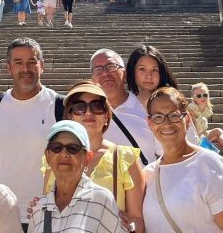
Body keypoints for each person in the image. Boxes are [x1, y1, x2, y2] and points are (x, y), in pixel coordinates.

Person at [142, 87, 223, 233]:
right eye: (158, 117)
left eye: (174, 116)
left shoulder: (208, 163)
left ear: (187, 119)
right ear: (150, 123)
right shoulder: (148, 174)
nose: (166, 123)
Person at [0, 38, 64, 229]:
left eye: (32, 62)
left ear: (42, 65)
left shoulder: (60, 106)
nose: (26, 69)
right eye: (18, 63)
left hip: (47, 214)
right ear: (9, 68)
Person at [41, 81, 145, 232]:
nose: (88, 113)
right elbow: (48, 211)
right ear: (70, 116)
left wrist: (130, 227)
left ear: (106, 116)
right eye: (79, 107)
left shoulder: (125, 158)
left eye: (97, 106)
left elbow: (138, 220)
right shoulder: (55, 157)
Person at [27, 121, 124, 233]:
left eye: (73, 148)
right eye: (56, 147)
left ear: (87, 157)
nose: (64, 154)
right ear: (47, 156)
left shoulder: (101, 199)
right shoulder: (38, 207)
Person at [93, 49, 160, 165]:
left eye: (111, 66)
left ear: (124, 73)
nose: (105, 73)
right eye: (98, 69)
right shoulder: (84, 114)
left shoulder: (149, 107)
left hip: (146, 182)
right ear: (92, 78)